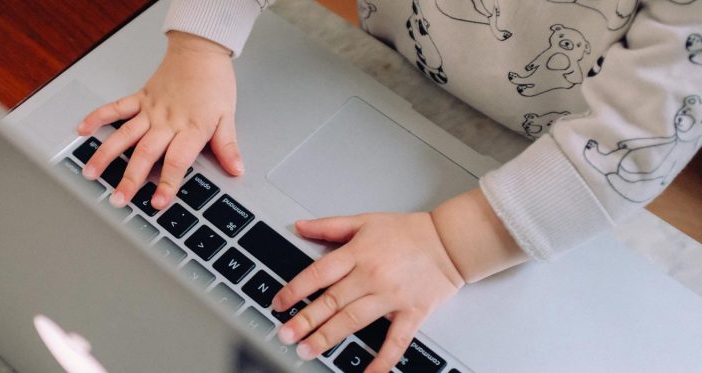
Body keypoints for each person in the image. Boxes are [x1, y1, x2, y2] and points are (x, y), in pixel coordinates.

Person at [77, 0, 701, 371]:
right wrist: (200, 43)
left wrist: (449, 247)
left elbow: (635, 143)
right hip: (387, 61)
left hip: (553, 151)